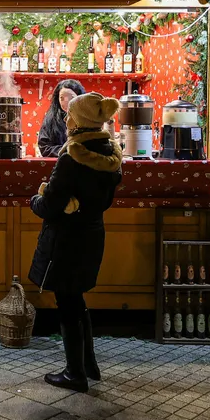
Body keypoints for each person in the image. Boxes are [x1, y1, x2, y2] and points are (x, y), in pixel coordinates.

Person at [27, 92, 123, 392]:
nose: (66, 118)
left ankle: (74, 373)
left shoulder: (72, 156)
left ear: (79, 120)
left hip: (67, 239)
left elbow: (50, 205)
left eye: (70, 114)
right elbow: (101, 200)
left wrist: (36, 198)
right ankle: (88, 365)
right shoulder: (111, 152)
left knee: (67, 303)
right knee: (77, 299)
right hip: (92, 233)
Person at [37, 79, 87, 157]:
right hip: (60, 161)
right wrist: (69, 150)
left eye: (71, 97)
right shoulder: (52, 119)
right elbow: (45, 147)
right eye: (62, 98)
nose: (66, 101)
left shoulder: (89, 118)